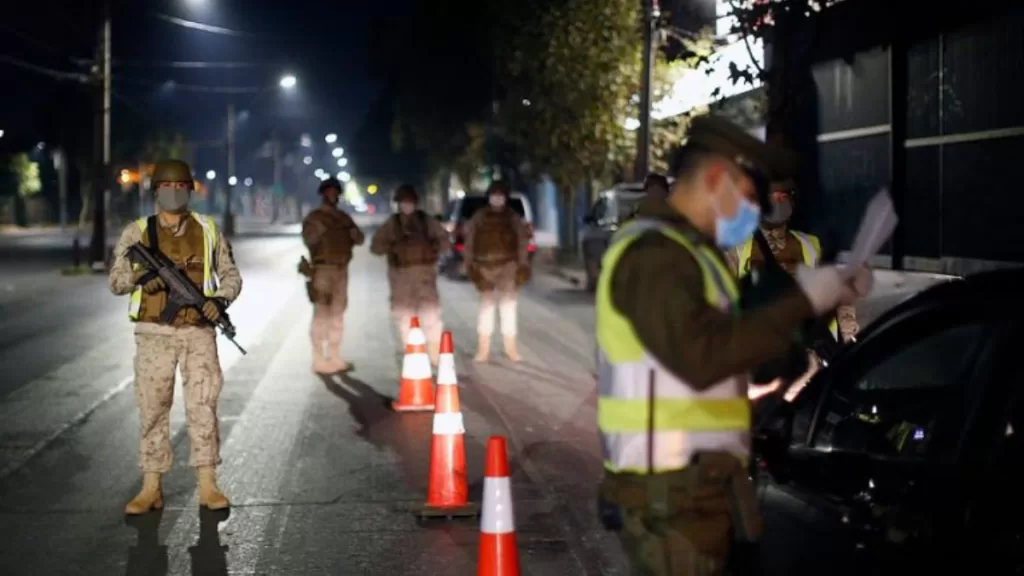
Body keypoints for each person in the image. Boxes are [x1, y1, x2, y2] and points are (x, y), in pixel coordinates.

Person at [595, 116, 873, 574]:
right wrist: (803, 300)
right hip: (670, 492)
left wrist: (824, 303)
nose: (752, 210)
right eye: (747, 196)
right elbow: (702, 358)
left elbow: (744, 354)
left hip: (704, 483)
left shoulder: (693, 256)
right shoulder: (653, 256)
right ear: (715, 179)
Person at [108, 159, 242, 515]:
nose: (175, 193)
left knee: (203, 405)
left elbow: (231, 276)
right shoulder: (137, 232)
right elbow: (116, 281)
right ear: (156, 193)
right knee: (153, 408)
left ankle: (208, 485)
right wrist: (141, 278)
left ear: (190, 191)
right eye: (168, 188)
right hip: (154, 333)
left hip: (198, 332)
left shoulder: (208, 230)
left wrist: (218, 301)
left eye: (181, 187)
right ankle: (151, 487)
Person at [727, 178, 860, 401]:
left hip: (807, 354)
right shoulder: (738, 249)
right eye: (771, 197)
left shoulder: (811, 245)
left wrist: (850, 339)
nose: (778, 202)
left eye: (783, 197)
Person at [370, 184, 450, 365]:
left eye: (409, 202)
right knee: (404, 318)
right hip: (401, 277)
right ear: (398, 204)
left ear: (415, 203)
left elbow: (444, 241)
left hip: (424, 275)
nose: (407, 205)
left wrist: (434, 248)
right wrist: (392, 246)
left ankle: (434, 354)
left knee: (431, 316)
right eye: (403, 202)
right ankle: (412, 354)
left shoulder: (427, 221)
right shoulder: (392, 224)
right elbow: (375, 247)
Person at [463, 181, 532, 363]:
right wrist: (469, 265)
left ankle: (511, 348)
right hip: (484, 266)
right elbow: (469, 241)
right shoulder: (479, 217)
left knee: (508, 308)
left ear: (505, 198)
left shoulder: (512, 217)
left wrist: (523, 265)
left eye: (501, 196)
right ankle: (483, 349)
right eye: (494, 195)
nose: (497, 199)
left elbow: (522, 242)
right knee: (486, 308)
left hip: (508, 266)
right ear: (489, 197)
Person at [302, 177, 365, 374]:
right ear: (323, 194)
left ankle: (335, 356)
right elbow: (309, 239)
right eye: (329, 192)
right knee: (321, 313)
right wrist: (319, 232)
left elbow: (359, 238)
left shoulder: (343, 217)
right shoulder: (315, 218)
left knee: (337, 314)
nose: (333, 195)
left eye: (335, 192)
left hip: (341, 269)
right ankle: (318, 357)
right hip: (322, 269)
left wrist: (352, 233)